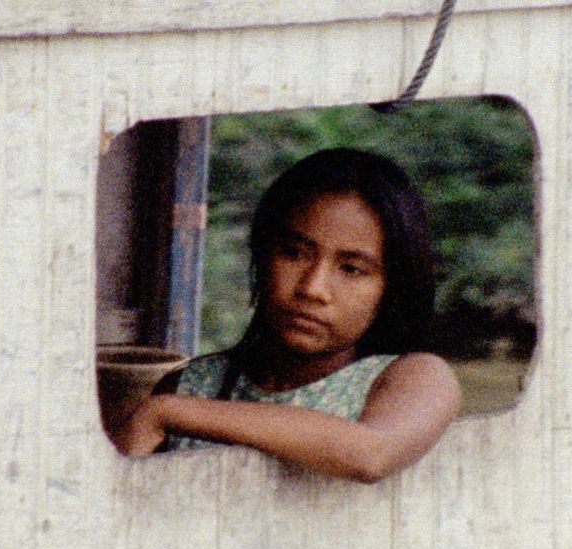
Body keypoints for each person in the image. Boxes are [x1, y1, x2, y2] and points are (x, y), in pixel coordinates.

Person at [113, 148, 461, 482]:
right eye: (294, 253)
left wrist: (166, 412)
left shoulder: (414, 377)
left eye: (352, 269)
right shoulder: (193, 384)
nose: (313, 288)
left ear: (392, 287)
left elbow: (372, 454)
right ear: (263, 257)